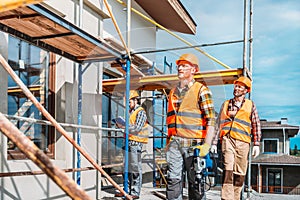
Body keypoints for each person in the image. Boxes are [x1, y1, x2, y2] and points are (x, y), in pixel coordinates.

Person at [166, 53, 216, 200]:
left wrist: (207, 144)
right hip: (174, 143)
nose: (180, 68)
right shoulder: (172, 92)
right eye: (179, 66)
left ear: (193, 70)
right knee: (173, 180)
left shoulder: (202, 90)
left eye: (184, 66)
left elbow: (211, 120)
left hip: (194, 145)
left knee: (196, 182)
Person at [213, 76, 261, 200]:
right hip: (228, 139)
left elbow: (256, 124)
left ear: (246, 90)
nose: (236, 88)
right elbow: (218, 123)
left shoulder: (250, 105)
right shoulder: (226, 104)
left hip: (243, 142)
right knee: (228, 169)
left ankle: (235, 197)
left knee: (240, 172)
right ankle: (226, 198)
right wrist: (213, 143)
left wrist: (256, 143)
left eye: (240, 86)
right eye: (236, 86)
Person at [114, 90, 148, 199]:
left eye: (129, 102)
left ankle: (135, 192)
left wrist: (124, 127)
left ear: (135, 100)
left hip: (135, 143)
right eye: (126, 102)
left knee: (135, 168)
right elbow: (129, 127)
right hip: (127, 142)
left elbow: (137, 128)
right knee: (126, 167)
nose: (128, 104)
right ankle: (126, 190)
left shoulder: (140, 112)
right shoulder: (129, 112)